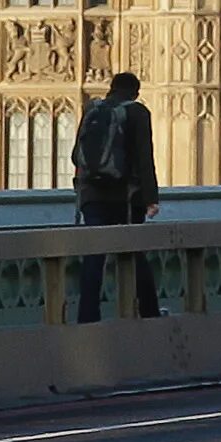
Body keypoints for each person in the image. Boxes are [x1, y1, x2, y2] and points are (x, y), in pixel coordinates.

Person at [72, 71, 159, 322]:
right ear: (136, 92)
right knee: (136, 254)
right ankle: (149, 312)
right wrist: (151, 198)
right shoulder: (137, 112)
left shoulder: (93, 109)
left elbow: (76, 155)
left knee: (94, 255)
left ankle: (87, 318)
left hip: (91, 197)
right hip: (126, 198)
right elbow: (145, 159)